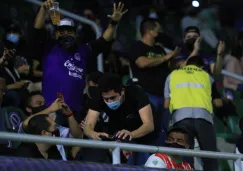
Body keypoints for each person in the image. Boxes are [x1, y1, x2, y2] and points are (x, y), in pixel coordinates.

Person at [34, 0, 128, 116]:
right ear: (56, 34)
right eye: (62, 32)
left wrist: (113, 23)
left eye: (69, 31)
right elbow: (38, 31)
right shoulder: (49, 47)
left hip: (76, 111)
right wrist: (43, 10)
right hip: (52, 109)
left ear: (74, 33)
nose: (66, 34)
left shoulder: (83, 50)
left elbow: (103, 41)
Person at [164, 56, 218, 170]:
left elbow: (166, 104)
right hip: (204, 118)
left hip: (180, 118)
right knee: (210, 157)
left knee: (184, 155)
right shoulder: (206, 76)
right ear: (202, 67)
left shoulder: (172, 75)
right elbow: (217, 102)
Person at [129, 18, 180, 133]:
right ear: (150, 31)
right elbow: (141, 63)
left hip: (165, 94)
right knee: (149, 127)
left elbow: (169, 67)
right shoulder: (137, 46)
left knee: (165, 129)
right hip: (148, 94)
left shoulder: (159, 48)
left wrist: (172, 58)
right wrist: (165, 57)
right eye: (158, 29)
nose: (160, 32)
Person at [84, 73, 154, 144]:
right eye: (106, 99)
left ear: (122, 91)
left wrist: (131, 134)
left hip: (148, 136)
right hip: (121, 135)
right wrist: (93, 134)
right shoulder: (99, 96)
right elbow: (88, 126)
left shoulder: (136, 93)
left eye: (113, 98)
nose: (110, 101)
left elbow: (149, 125)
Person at [16, 114, 82, 160]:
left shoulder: (54, 150)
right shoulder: (25, 154)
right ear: (44, 133)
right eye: (55, 127)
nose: (58, 130)